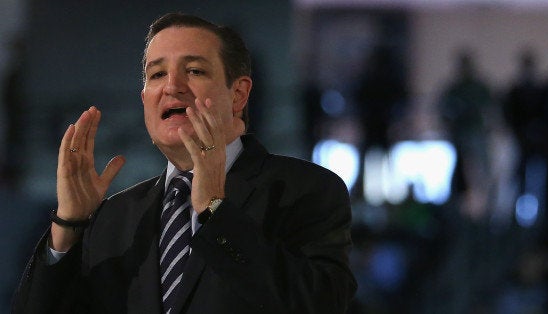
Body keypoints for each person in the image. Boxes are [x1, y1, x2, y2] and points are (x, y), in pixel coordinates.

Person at [12, 12, 356, 314]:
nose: (172, 86)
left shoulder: (307, 190)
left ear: (238, 94)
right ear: (145, 98)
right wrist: (69, 225)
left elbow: (321, 303)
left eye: (193, 70)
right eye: (157, 74)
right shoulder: (113, 218)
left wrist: (215, 211)